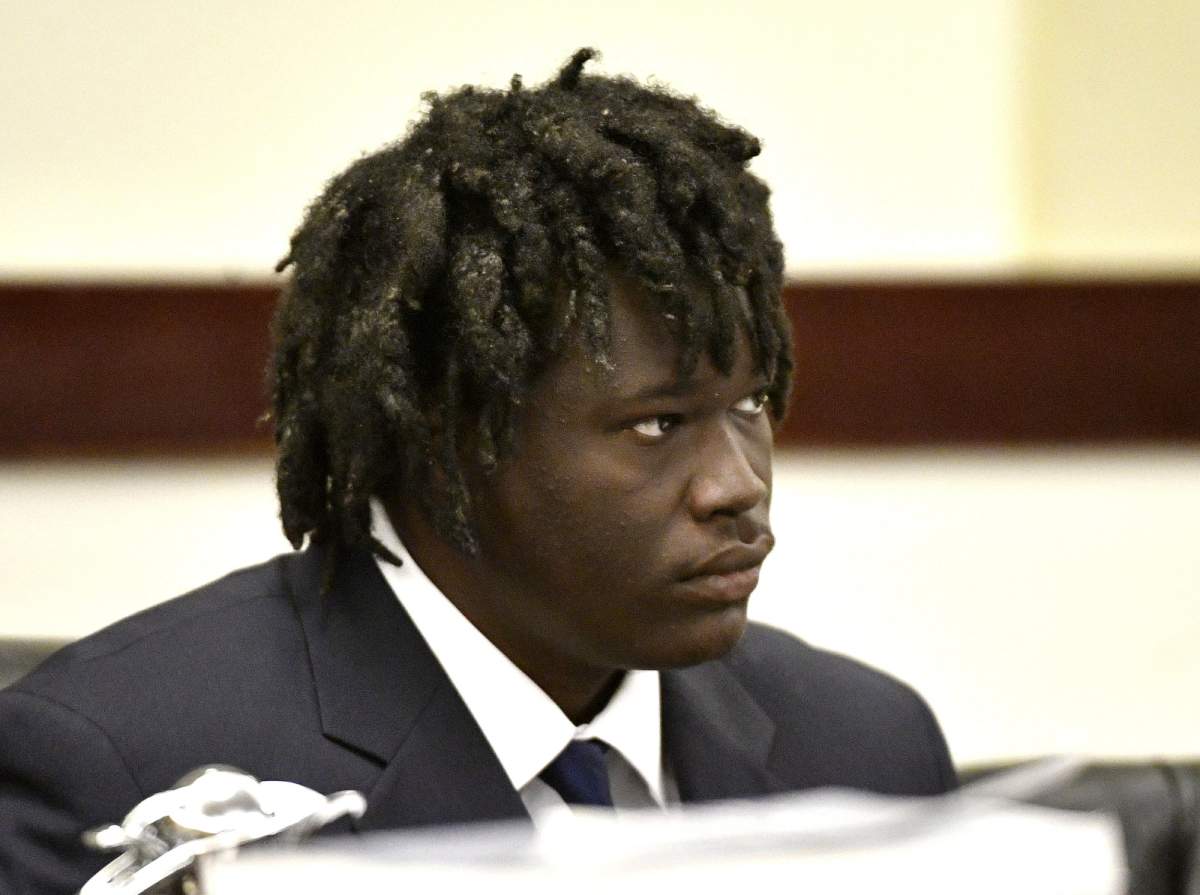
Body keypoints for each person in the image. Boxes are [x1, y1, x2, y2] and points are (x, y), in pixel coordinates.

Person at [0, 49, 956, 894]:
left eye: (750, 406)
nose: (737, 485)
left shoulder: (868, 748)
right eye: (659, 423)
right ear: (445, 440)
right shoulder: (126, 769)